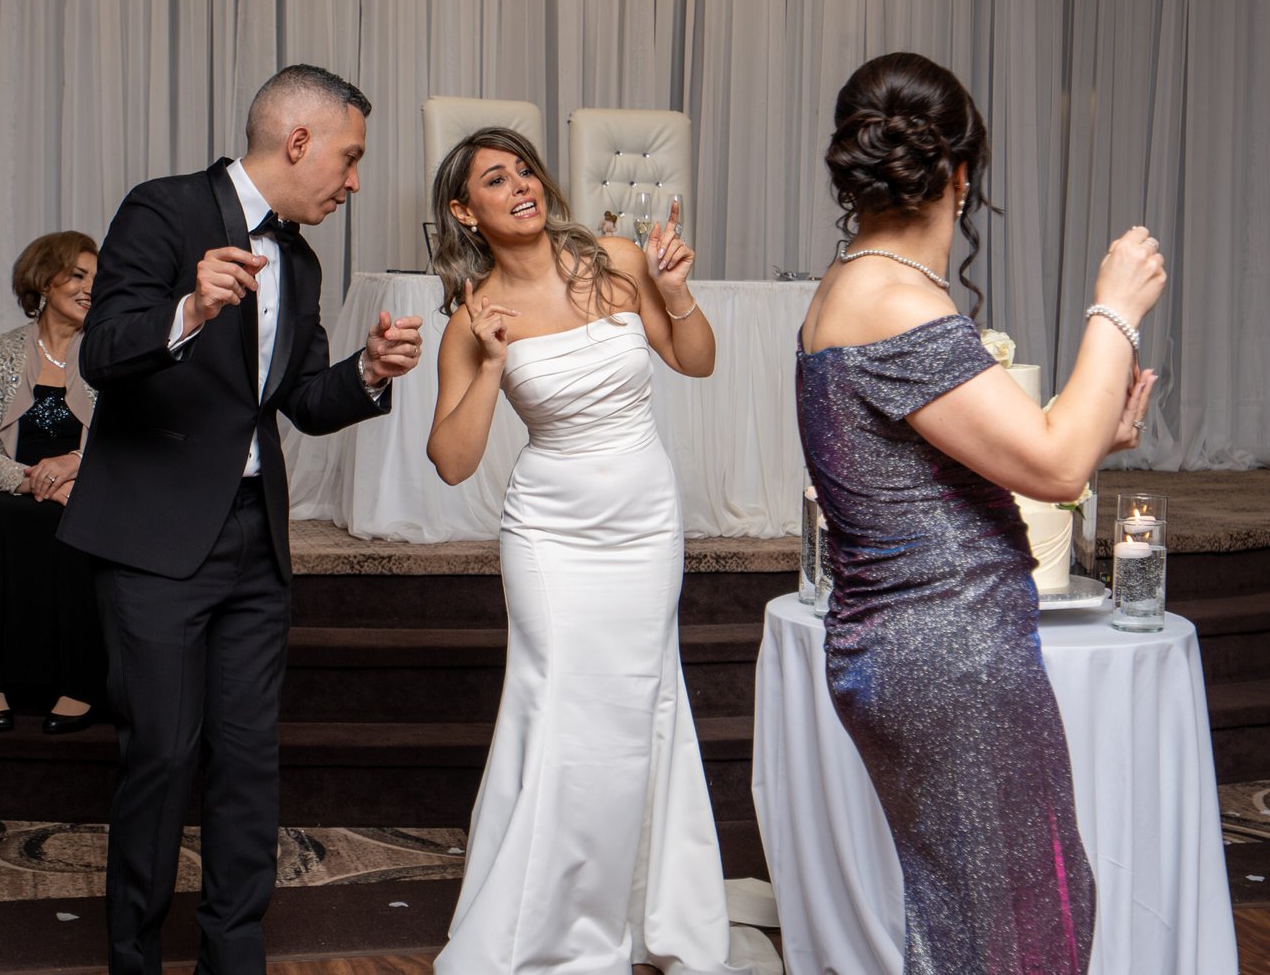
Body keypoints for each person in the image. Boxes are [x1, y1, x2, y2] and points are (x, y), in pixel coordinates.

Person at [796, 52, 1164, 974]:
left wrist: (1094, 438)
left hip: (909, 648)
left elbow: (978, 462)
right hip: (950, 653)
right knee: (1021, 929)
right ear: (961, 176)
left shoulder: (854, 286)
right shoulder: (894, 300)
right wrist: (1114, 311)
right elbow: (1052, 461)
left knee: (982, 919)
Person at [56, 64, 424, 975]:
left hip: (257, 541)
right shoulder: (164, 209)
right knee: (161, 757)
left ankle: (234, 957)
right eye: (349, 158)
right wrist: (186, 308)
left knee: (249, 762)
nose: (354, 181)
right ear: (297, 142)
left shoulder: (302, 259)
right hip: (154, 543)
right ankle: (136, 960)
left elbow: (302, 400)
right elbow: (101, 354)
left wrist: (368, 372)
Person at [426, 127, 766, 974]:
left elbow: (695, 361)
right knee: (558, 706)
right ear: (465, 211)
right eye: (496, 179)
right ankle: (549, 923)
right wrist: (493, 365)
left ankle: (649, 905)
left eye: (526, 170)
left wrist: (676, 293)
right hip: (550, 533)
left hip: (645, 520)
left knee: (645, 702)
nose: (521, 186)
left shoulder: (614, 259)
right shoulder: (475, 318)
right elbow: (452, 461)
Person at [0, 230, 104, 734]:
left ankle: (78, 685)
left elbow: (125, 436)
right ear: (44, 280)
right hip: (9, 489)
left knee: (76, 523)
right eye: (78, 275)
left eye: (96, 279)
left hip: (83, 486)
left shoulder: (107, 354)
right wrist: (34, 481)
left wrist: (73, 465)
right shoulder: (1, 352)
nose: (89, 288)